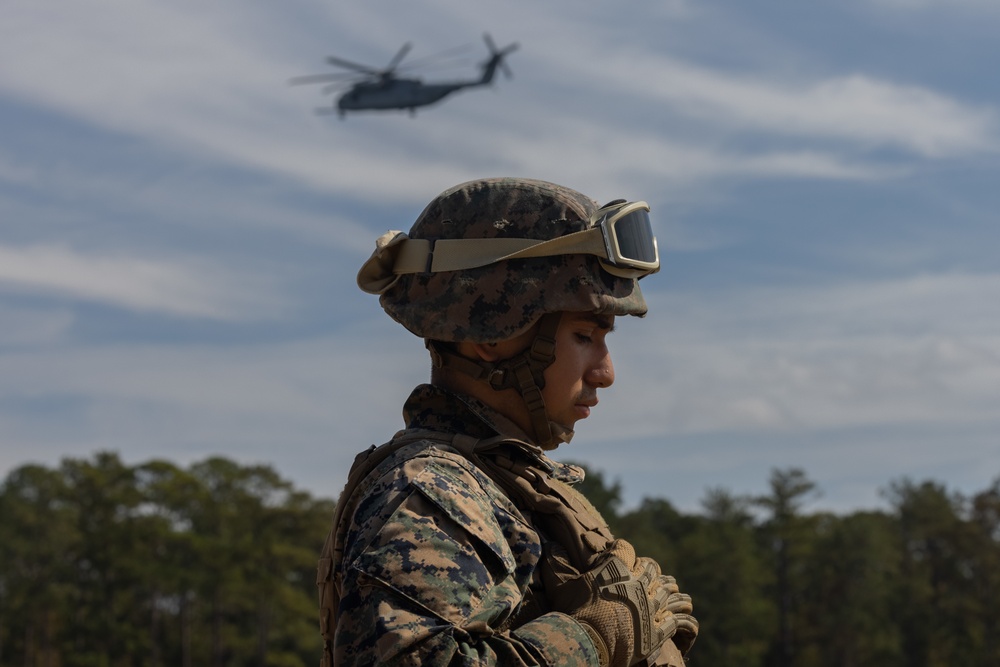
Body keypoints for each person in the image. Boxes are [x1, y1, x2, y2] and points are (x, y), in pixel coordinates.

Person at [317, 178, 698, 666]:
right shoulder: (431, 491)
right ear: (493, 335)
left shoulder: (496, 486)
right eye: (585, 335)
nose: (605, 374)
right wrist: (596, 639)